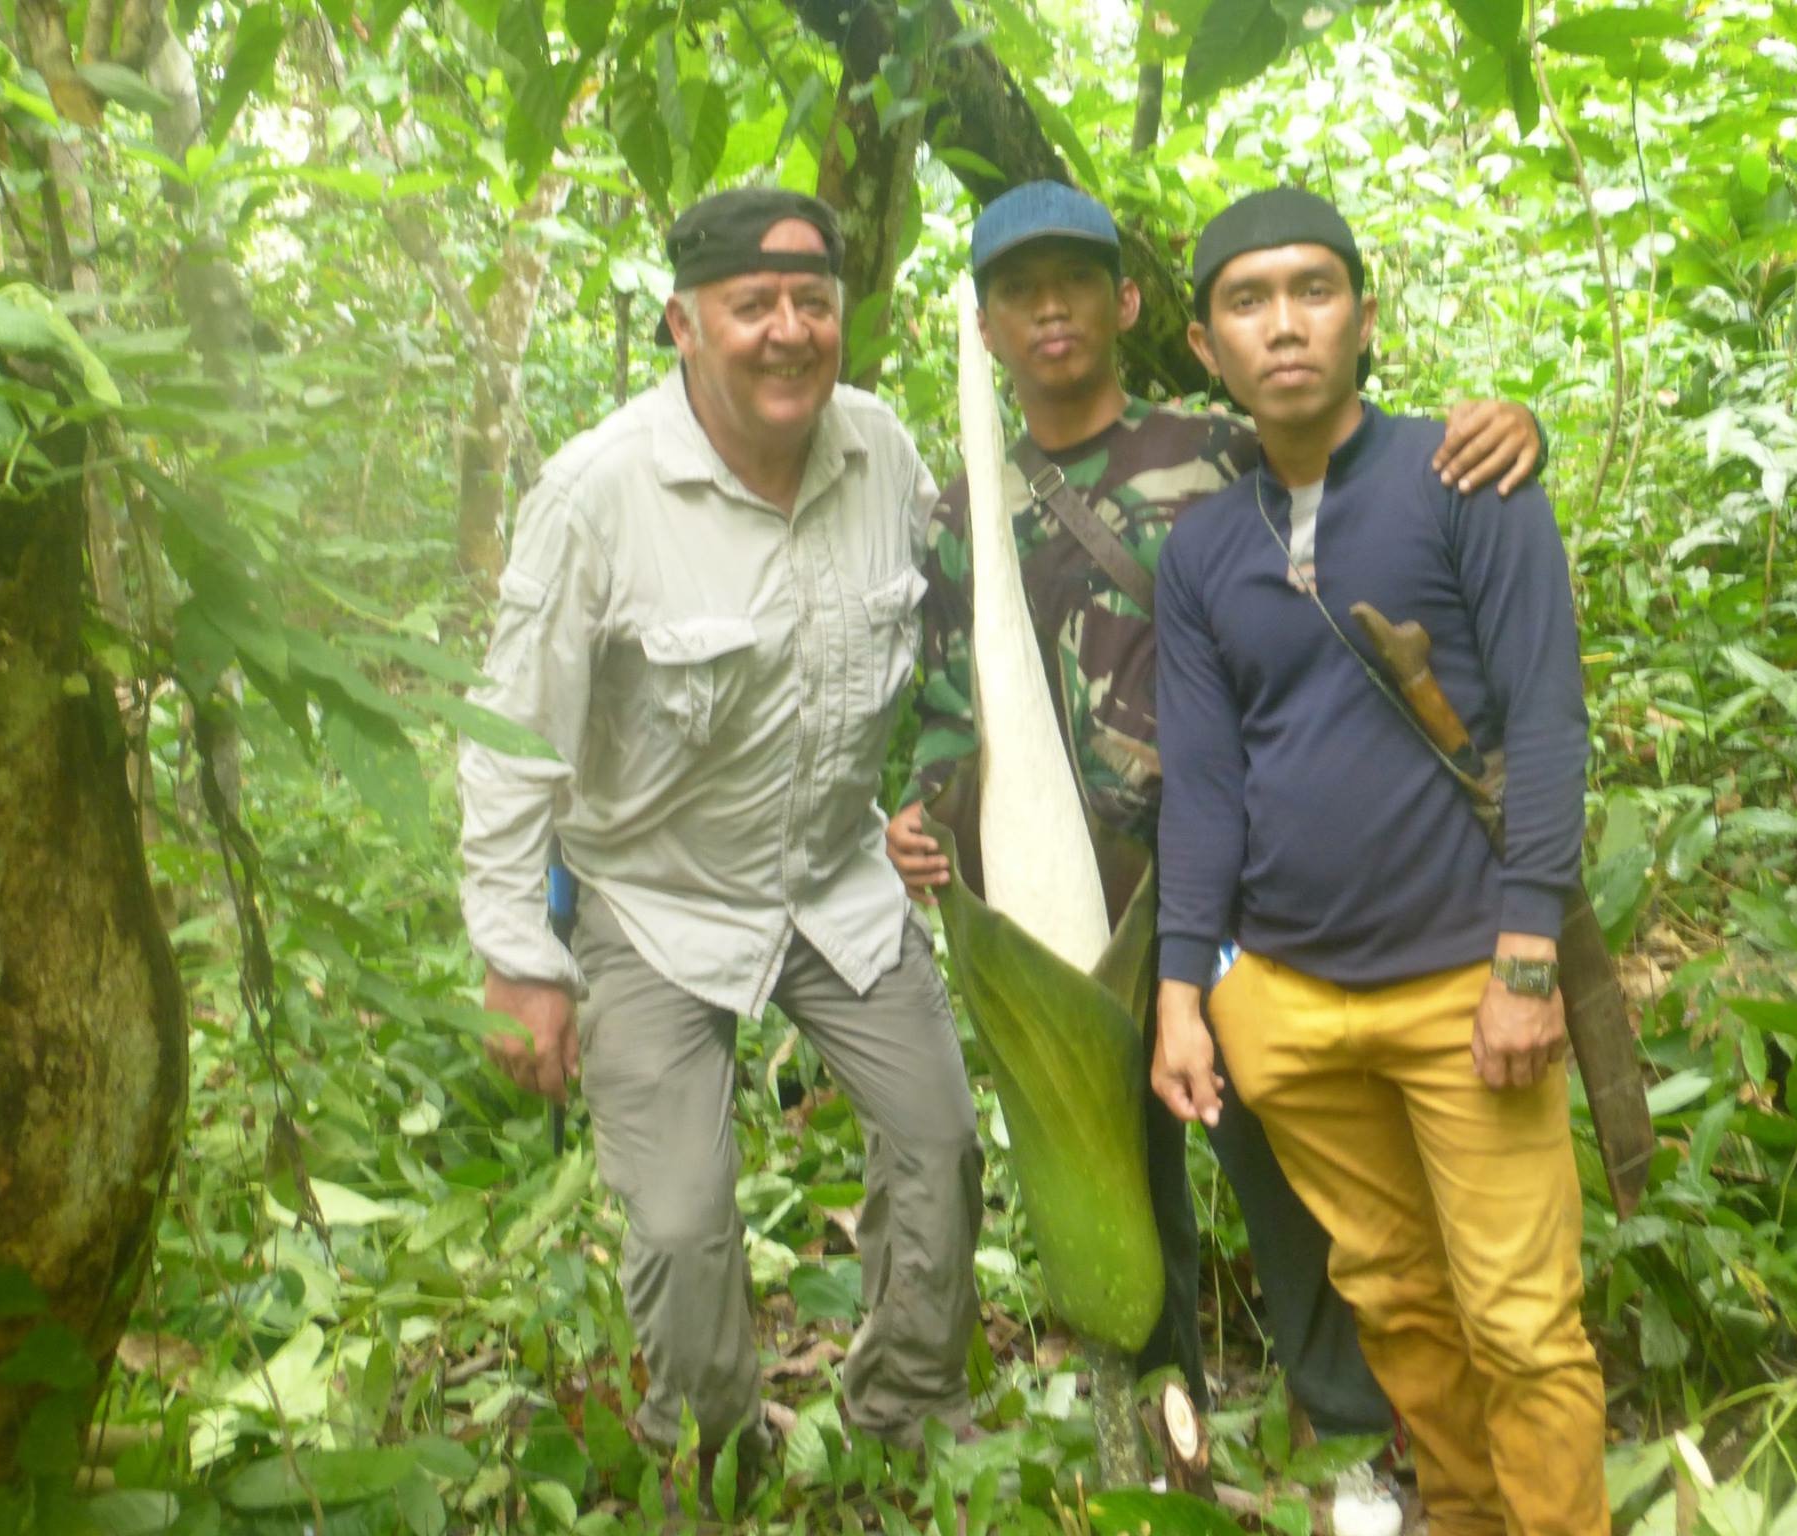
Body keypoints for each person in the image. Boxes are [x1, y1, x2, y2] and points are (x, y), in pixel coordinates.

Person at [884, 180, 1544, 1533]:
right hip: (1057, 925)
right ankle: (1160, 1447)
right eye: (1021, 291)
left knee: (1288, 1179)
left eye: (1078, 281)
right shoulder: (963, 504)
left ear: (1132, 308)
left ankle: (1354, 1443)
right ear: (992, 326)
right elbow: (952, 695)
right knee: (1121, 1192)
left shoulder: (1223, 454)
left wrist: (1508, 427)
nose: (1052, 309)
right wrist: (922, 805)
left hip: (1221, 897)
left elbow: (1364, 494)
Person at [458, 188, 983, 1467]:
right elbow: (512, 736)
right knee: (686, 1221)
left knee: (941, 1150)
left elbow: (957, 647)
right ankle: (715, 1454)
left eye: (813, 303)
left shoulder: (882, 457)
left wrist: (929, 789)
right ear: (683, 326)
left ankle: (903, 1418)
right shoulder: (596, 495)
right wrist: (519, 958)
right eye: (753, 306)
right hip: (652, 898)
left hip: (830, 876)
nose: (788, 332)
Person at [1150, 186, 1609, 1536]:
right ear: (1202, 344)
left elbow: (1546, 716)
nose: (1283, 325)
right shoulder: (1204, 548)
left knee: (1522, 1322)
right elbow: (1209, 789)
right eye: (1247, 301)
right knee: (1399, 1301)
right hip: (1286, 1002)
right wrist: (1187, 993)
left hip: (1466, 993)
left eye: (1312, 291)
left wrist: (1527, 960)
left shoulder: (1468, 477)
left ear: (1361, 315)